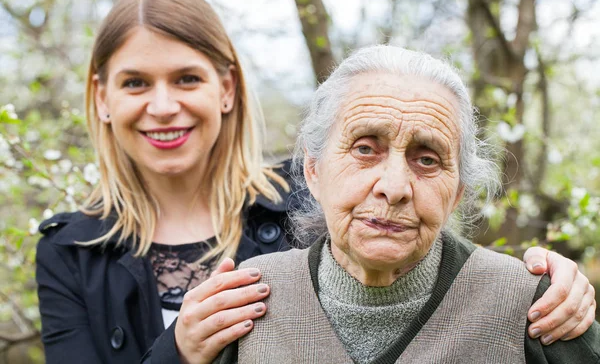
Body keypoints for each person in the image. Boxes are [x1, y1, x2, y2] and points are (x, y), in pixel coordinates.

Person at [34, 0, 596, 364]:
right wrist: (178, 349)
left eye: (186, 79)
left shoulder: (301, 189)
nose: (162, 106)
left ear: (226, 89)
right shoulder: (71, 249)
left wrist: (553, 283)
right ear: (102, 98)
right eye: (135, 83)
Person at [221, 45, 600, 363]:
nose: (395, 187)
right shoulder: (249, 299)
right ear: (314, 169)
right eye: (365, 149)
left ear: (457, 193)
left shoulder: (532, 306)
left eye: (427, 159)